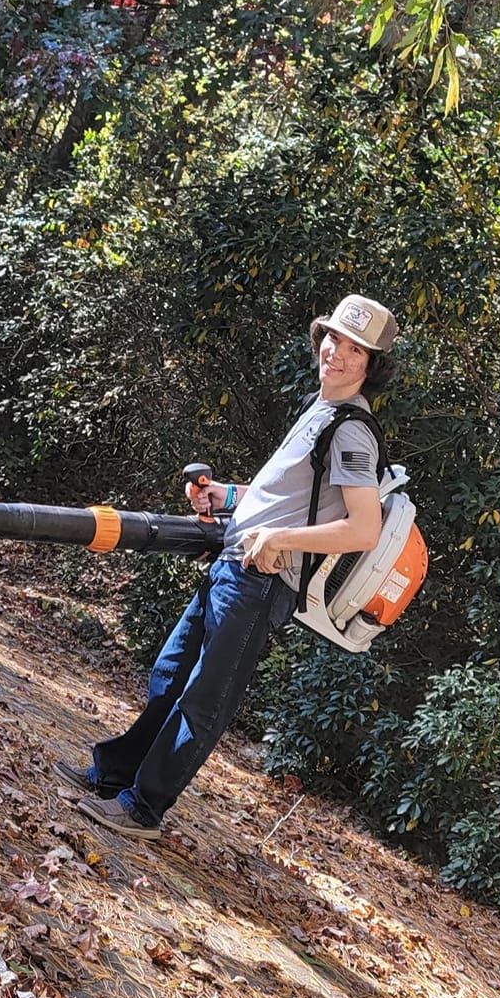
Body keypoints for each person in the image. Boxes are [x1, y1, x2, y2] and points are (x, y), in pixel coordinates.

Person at [57, 294, 399, 840]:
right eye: (333, 337)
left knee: (204, 697)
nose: (336, 352)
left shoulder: (352, 431)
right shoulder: (322, 410)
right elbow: (284, 498)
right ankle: (113, 776)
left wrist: (279, 538)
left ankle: (144, 808)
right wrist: (227, 495)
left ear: (371, 365)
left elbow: (363, 528)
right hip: (232, 568)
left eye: (354, 349)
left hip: (261, 585)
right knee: (170, 676)